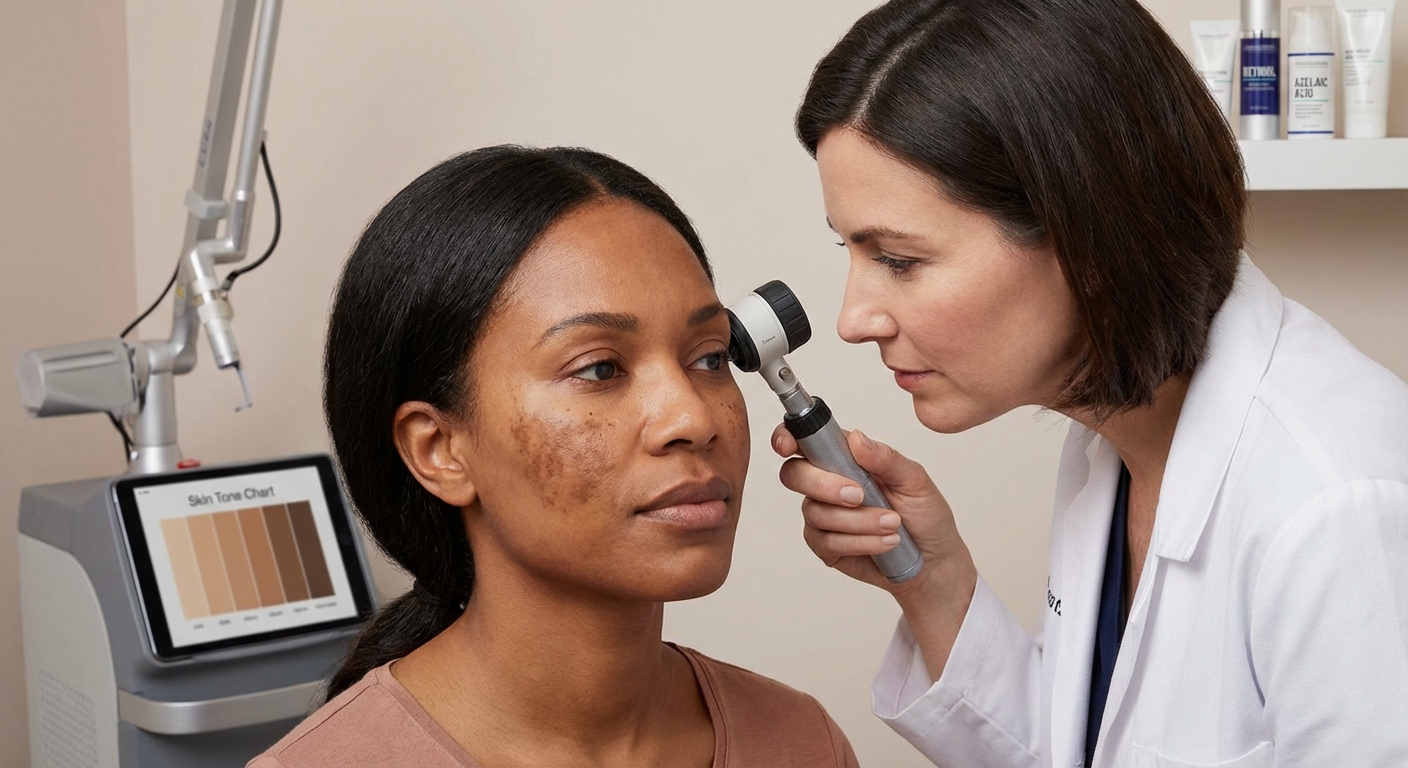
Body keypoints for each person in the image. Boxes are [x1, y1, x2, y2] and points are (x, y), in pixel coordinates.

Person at [773, 1, 1408, 766]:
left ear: (1089, 232)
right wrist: (935, 584)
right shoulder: (1114, 442)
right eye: (852, 251)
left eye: (900, 260)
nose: (853, 318)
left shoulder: (1338, 508)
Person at [251, 146, 858, 768]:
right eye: (599, 368)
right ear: (440, 450)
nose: (694, 419)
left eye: (707, 358)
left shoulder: (802, 743)